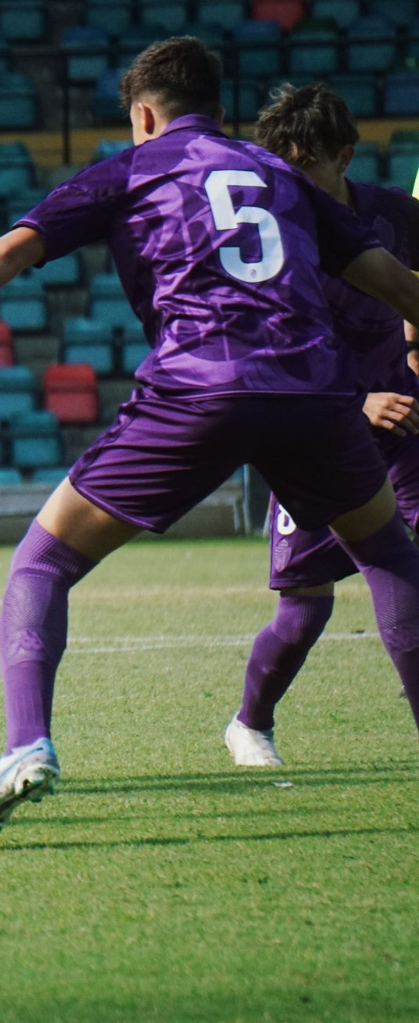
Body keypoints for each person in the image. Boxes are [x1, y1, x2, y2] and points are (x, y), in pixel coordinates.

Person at [0, 37, 419, 848]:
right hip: (312, 390)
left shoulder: (134, 166)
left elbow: (11, 251)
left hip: (198, 386)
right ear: (221, 109)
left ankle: (26, 745)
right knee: (391, 555)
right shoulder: (284, 173)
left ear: (142, 113)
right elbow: (399, 286)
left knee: (44, 561)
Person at [228, 83, 419, 767]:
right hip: (314, 431)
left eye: (304, 164)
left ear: (344, 156)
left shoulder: (398, 215)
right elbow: (259, 347)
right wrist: (357, 400)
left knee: (407, 570)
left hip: (410, 427)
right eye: (277, 164)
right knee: (305, 608)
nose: (289, 179)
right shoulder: (262, 239)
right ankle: (250, 722)